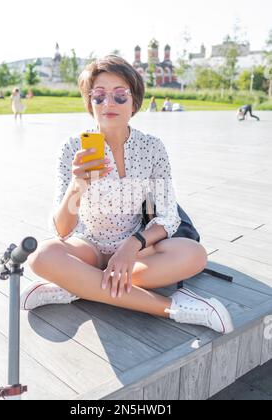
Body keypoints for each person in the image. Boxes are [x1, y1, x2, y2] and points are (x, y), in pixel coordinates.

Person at [20, 56, 234, 335]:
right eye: (98, 96)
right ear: (89, 103)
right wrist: (76, 185)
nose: (109, 103)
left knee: (195, 255)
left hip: (137, 249)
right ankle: (172, 306)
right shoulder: (72, 147)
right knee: (40, 256)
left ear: (134, 102)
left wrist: (131, 246)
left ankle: (77, 285)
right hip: (88, 246)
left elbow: (168, 216)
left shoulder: (152, 147)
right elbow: (62, 230)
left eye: (120, 96)